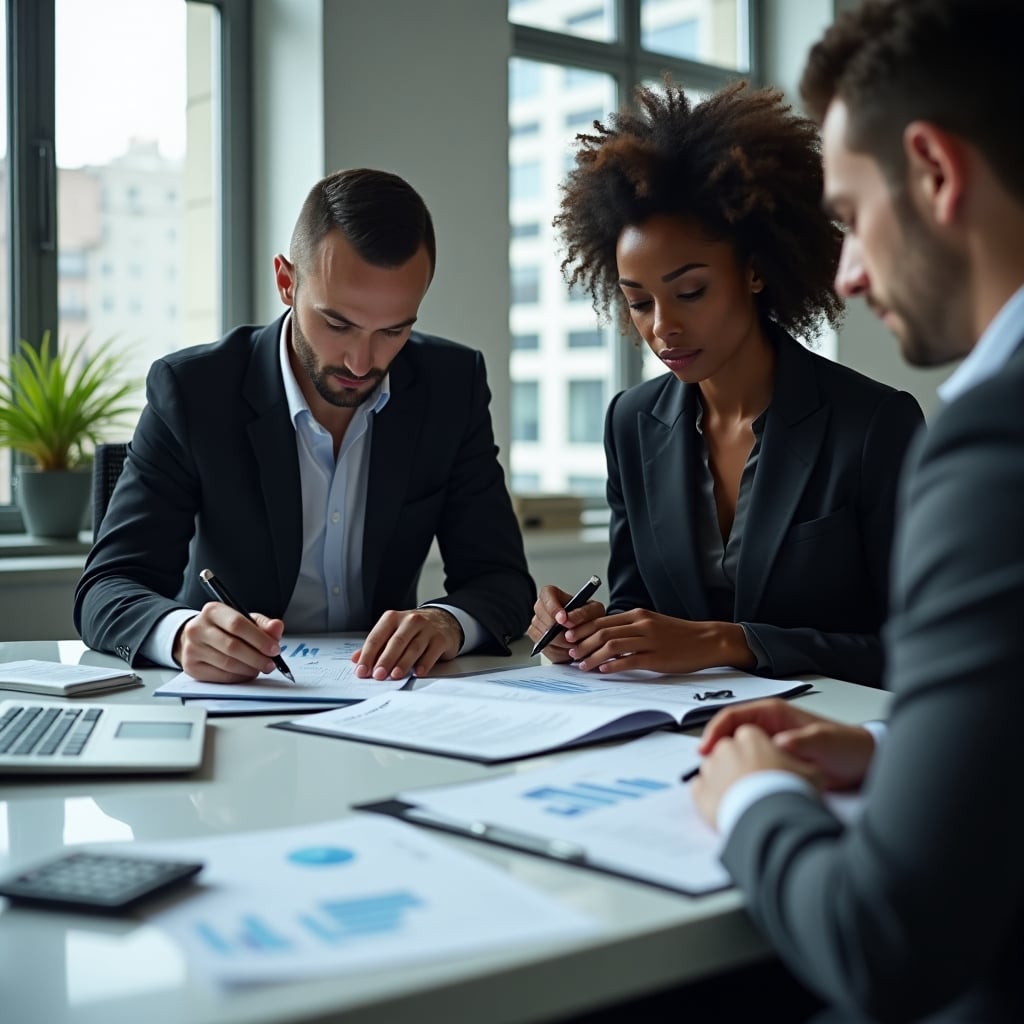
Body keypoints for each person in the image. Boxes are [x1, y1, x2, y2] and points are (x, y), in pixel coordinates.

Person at [691, 1, 1024, 1020]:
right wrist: (897, 753)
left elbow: (883, 941)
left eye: (846, 214)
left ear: (932, 170)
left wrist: (748, 792)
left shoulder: (990, 450)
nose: (844, 270)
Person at [528, 80, 924, 687]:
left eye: (690, 292)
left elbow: (917, 649)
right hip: (671, 743)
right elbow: (643, 608)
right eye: (638, 303)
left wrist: (730, 643)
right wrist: (592, 633)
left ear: (756, 271)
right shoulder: (631, 423)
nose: (664, 327)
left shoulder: (874, 427)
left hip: (826, 739)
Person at [75, 168, 535, 683]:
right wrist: (182, 636)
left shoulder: (451, 386)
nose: (362, 362)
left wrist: (447, 622)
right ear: (287, 282)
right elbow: (108, 586)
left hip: (387, 705)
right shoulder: (194, 391)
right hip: (235, 701)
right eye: (338, 324)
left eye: (393, 330)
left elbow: (502, 581)